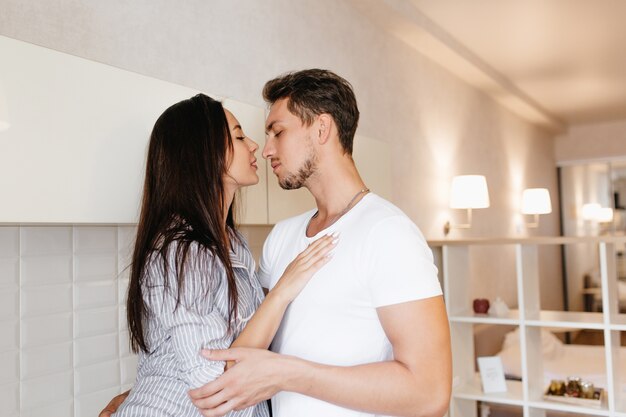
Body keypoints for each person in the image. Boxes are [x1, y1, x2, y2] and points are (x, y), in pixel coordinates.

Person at [186, 69, 452, 417]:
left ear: (322, 129)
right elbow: (236, 353)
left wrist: (289, 375)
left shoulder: (388, 233)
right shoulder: (281, 237)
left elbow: (430, 393)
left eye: (278, 132)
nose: (266, 150)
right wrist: (152, 387)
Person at [104, 93, 336, 417]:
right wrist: (282, 290)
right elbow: (214, 386)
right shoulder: (181, 250)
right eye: (239, 136)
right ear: (203, 154)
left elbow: (229, 347)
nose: (255, 145)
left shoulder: (232, 243)